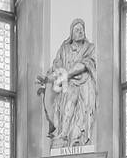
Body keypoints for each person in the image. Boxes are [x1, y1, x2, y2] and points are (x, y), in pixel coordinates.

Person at [37, 19, 98, 151]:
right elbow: (57, 66)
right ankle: (64, 134)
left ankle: (72, 136)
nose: (80, 31)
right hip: (67, 85)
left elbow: (87, 63)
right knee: (69, 96)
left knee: (76, 97)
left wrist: (68, 74)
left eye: (82, 28)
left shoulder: (90, 48)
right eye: (77, 29)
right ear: (72, 33)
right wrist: (48, 78)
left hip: (83, 83)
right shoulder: (64, 49)